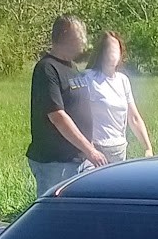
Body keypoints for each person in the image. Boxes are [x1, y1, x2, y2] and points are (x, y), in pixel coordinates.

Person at [26, 15, 107, 197]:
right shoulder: (47, 69)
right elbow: (58, 117)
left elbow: (80, 110)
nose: (84, 43)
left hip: (79, 158)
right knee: (54, 216)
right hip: (55, 163)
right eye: (80, 37)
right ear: (64, 35)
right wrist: (90, 151)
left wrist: (89, 147)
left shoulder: (72, 68)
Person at [83, 31, 153, 164]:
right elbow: (78, 115)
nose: (113, 51)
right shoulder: (88, 78)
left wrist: (148, 148)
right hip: (96, 150)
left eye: (117, 48)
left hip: (119, 149)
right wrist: (89, 148)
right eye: (109, 48)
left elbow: (134, 118)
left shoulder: (123, 81)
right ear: (102, 51)